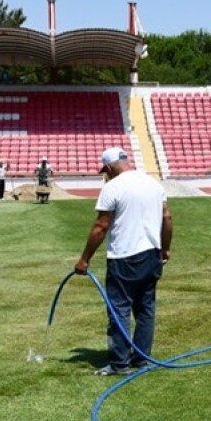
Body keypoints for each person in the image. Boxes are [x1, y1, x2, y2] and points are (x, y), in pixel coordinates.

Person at [74, 147, 173, 376]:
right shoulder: (153, 183)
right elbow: (167, 217)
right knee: (146, 308)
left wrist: (84, 259)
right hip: (151, 253)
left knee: (118, 309)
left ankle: (119, 363)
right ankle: (140, 359)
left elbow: (101, 226)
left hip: (124, 257)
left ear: (108, 168)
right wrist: (165, 249)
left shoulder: (112, 187)